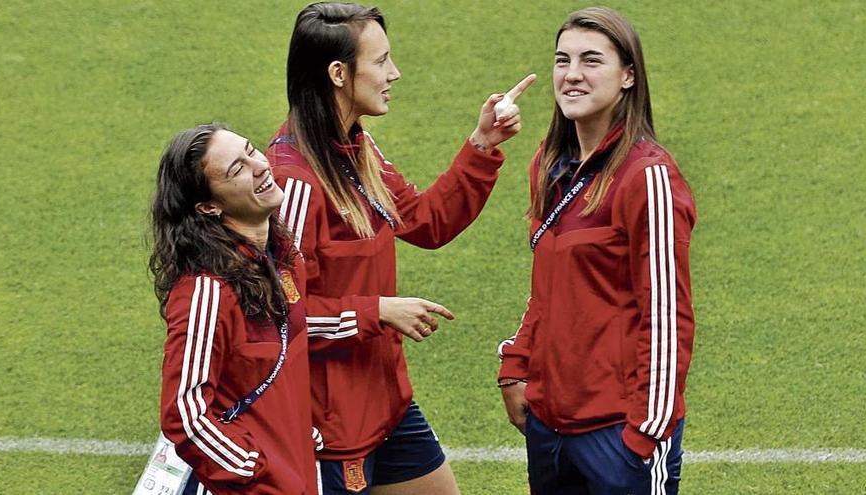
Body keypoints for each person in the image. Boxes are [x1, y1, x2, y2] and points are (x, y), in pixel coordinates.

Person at [266, 3, 534, 494]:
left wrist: (482, 144)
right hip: (329, 426)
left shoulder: (356, 150)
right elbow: (276, 317)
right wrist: (377, 312)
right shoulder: (293, 180)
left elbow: (427, 221)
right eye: (381, 61)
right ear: (339, 74)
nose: (395, 73)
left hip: (387, 404)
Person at [496, 7, 697, 494]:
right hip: (550, 426)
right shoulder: (548, 164)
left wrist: (645, 432)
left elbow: (667, 315)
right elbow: (548, 288)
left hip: (618, 434)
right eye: (562, 61)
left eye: (591, 61)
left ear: (628, 75)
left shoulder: (648, 178)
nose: (572, 75)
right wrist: (517, 364)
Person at [151, 124, 318, 495]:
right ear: (208, 206)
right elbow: (184, 413)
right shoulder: (206, 290)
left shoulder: (283, 260)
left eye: (251, 150)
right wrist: (252, 468)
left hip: (297, 474)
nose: (259, 165)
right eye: (236, 169)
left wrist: (296, 433)